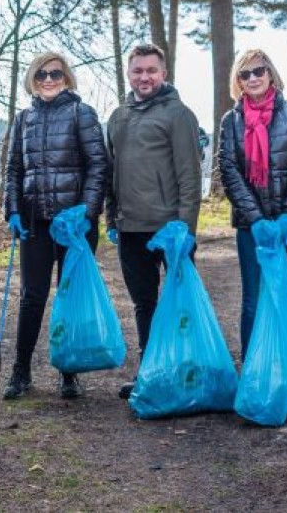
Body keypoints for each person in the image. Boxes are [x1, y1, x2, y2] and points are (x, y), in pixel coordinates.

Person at [218, 48, 287, 408]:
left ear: (271, 73)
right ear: (238, 81)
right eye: (245, 74)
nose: (253, 78)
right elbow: (229, 174)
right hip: (253, 227)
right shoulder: (230, 122)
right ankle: (255, 373)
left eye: (258, 71)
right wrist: (259, 219)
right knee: (252, 301)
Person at [2, 51, 108, 400]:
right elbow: (14, 170)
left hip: (74, 227)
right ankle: (21, 371)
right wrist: (12, 210)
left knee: (70, 296)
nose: (49, 80)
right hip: (35, 222)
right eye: (42, 74)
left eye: (56, 74)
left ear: (67, 78)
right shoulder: (23, 119)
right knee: (32, 296)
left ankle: (69, 370)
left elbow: (98, 166)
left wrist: (87, 212)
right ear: (32, 79)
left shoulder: (82, 114)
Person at [104, 43, 202, 401]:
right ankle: (150, 373)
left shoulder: (179, 115)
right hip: (131, 229)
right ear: (129, 74)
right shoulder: (117, 117)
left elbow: (190, 177)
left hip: (170, 230)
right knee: (144, 304)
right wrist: (111, 216)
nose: (144, 77)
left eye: (151, 70)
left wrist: (185, 228)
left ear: (163, 73)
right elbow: (109, 173)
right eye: (137, 71)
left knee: (180, 304)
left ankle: (189, 370)